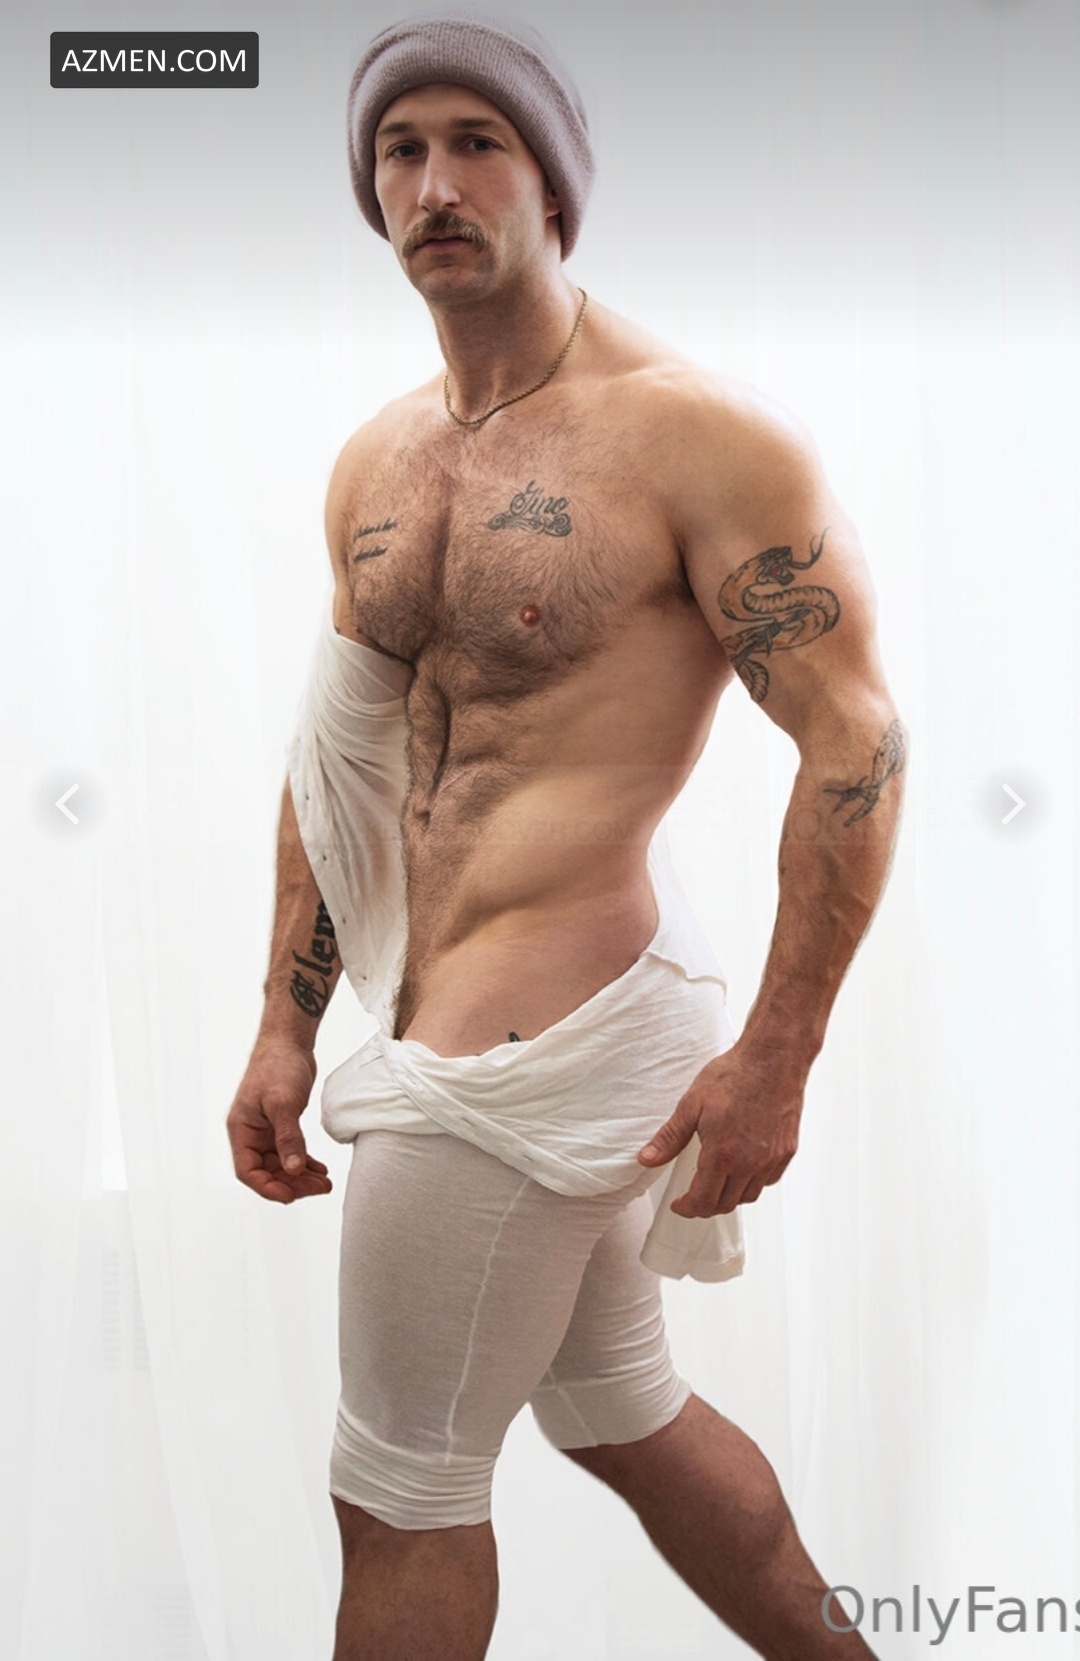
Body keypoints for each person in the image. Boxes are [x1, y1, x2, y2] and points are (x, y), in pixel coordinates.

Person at [226, 10, 905, 1659]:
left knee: (399, 1489)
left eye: (479, 143)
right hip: (461, 1020)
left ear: (553, 185)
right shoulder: (381, 463)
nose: (434, 184)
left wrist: (781, 1051)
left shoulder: (694, 437)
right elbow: (341, 756)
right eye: (401, 151)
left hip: (539, 1046)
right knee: (621, 1408)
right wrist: (282, 1020)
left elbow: (855, 741)